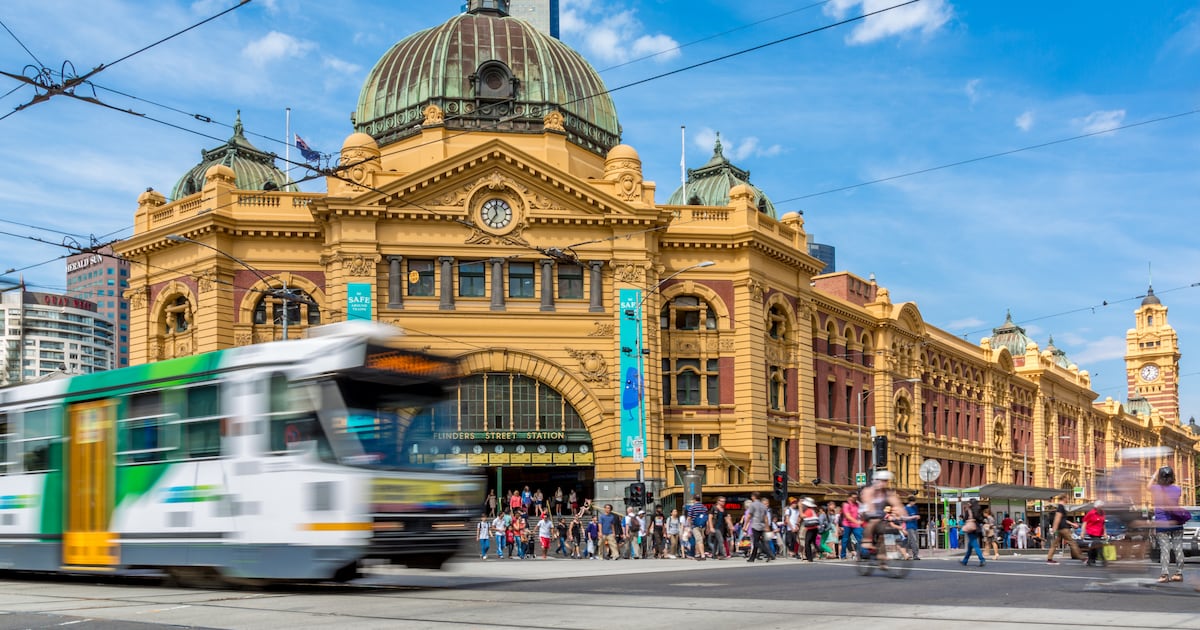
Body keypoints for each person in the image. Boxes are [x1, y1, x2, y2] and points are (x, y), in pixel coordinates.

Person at [1149, 466, 1186, 583]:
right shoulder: (1177, 489)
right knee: (1178, 548)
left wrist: (1154, 475)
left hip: (1162, 524)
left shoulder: (1156, 488)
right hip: (1176, 523)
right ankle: (1179, 573)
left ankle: (1164, 575)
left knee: (1165, 550)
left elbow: (1148, 486)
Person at [860, 470, 906, 553]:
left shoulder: (888, 493)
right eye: (883, 480)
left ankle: (882, 552)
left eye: (886, 481)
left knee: (886, 527)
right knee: (874, 520)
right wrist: (872, 510)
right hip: (866, 514)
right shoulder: (869, 491)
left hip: (880, 517)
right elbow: (868, 503)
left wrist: (902, 513)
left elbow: (897, 504)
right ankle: (866, 541)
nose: (885, 483)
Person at [1045, 495, 1082, 564]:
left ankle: (1049, 559)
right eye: (1067, 498)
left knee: (1055, 544)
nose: (1068, 499)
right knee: (1072, 542)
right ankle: (1082, 557)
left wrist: (1072, 524)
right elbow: (1057, 518)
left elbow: (1062, 519)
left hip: (1060, 528)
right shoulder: (1060, 507)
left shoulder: (1060, 507)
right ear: (1064, 498)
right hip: (1063, 528)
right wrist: (1054, 528)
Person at [745, 491, 771, 562]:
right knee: (762, 541)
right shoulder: (763, 505)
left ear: (753, 497)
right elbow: (766, 517)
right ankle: (752, 558)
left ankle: (768, 553)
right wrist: (767, 526)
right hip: (762, 526)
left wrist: (745, 526)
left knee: (756, 542)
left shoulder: (752, 505)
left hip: (755, 525)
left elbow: (749, 516)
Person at [959, 497, 986, 567]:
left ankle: (982, 559)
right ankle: (965, 561)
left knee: (975, 545)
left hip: (971, 529)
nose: (968, 503)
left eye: (969, 502)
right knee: (970, 546)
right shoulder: (979, 510)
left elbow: (964, 519)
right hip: (977, 529)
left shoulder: (969, 510)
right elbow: (981, 519)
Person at [1082, 501, 1106, 567]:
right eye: (1100, 506)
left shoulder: (1102, 513)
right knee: (1098, 545)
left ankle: (1090, 559)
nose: (1101, 507)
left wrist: (1105, 533)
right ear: (1096, 507)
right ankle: (1103, 560)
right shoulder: (1091, 513)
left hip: (1099, 532)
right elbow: (1085, 522)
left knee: (1094, 546)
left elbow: (1103, 523)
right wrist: (1083, 532)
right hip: (1092, 531)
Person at [685, 495, 708, 561]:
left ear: (694, 500)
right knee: (699, 540)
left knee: (699, 540)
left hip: (695, 526)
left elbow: (689, 518)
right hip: (703, 526)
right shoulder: (704, 507)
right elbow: (706, 518)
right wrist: (707, 527)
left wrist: (689, 527)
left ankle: (702, 555)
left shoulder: (692, 508)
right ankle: (697, 554)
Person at [840, 492, 862, 559]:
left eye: (856, 497)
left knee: (860, 538)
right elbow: (847, 516)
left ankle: (859, 554)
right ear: (849, 497)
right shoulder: (846, 505)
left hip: (855, 525)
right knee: (845, 540)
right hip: (847, 524)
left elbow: (860, 513)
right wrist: (857, 522)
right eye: (853, 497)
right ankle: (843, 555)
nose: (855, 499)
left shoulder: (857, 504)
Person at [801, 497, 820, 562]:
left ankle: (810, 557)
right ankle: (818, 551)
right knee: (813, 542)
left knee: (807, 543)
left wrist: (800, 507)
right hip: (814, 528)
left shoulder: (808, 511)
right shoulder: (812, 510)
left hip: (811, 529)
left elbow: (802, 516)